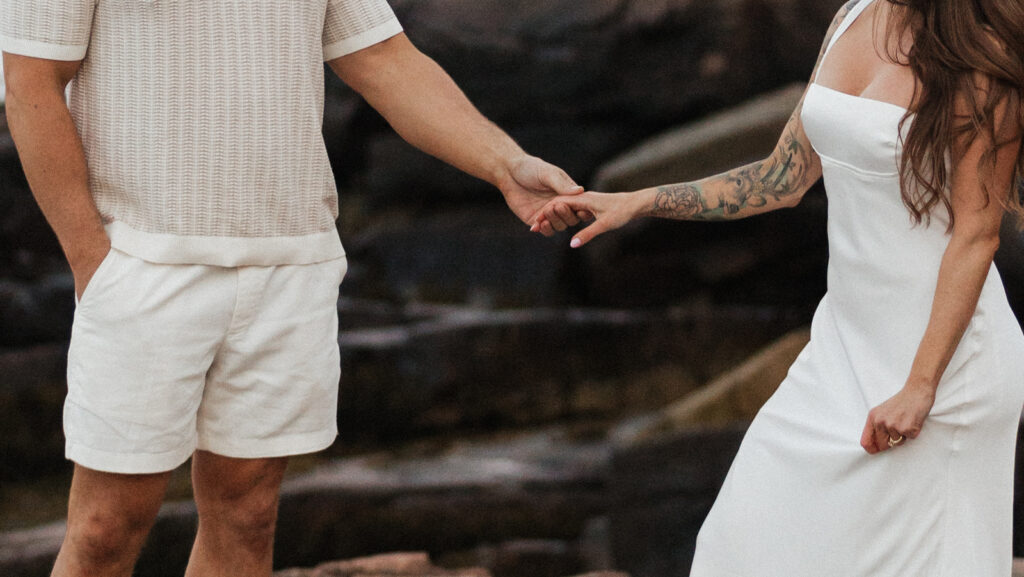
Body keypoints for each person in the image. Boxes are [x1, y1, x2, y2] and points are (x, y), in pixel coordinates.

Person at [0, 1, 586, 576]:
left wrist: (507, 166)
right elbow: (31, 75)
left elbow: (382, 57)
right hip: (144, 263)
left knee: (248, 517)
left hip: (291, 260)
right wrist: (91, 259)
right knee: (105, 530)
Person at [533, 0, 1024, 574]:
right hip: (842, 350)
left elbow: (975, 238)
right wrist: (638, 201)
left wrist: (920, 388)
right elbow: (780, 179)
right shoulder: (853, 15)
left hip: (944, 367)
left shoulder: (984, 63)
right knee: (739, 546)